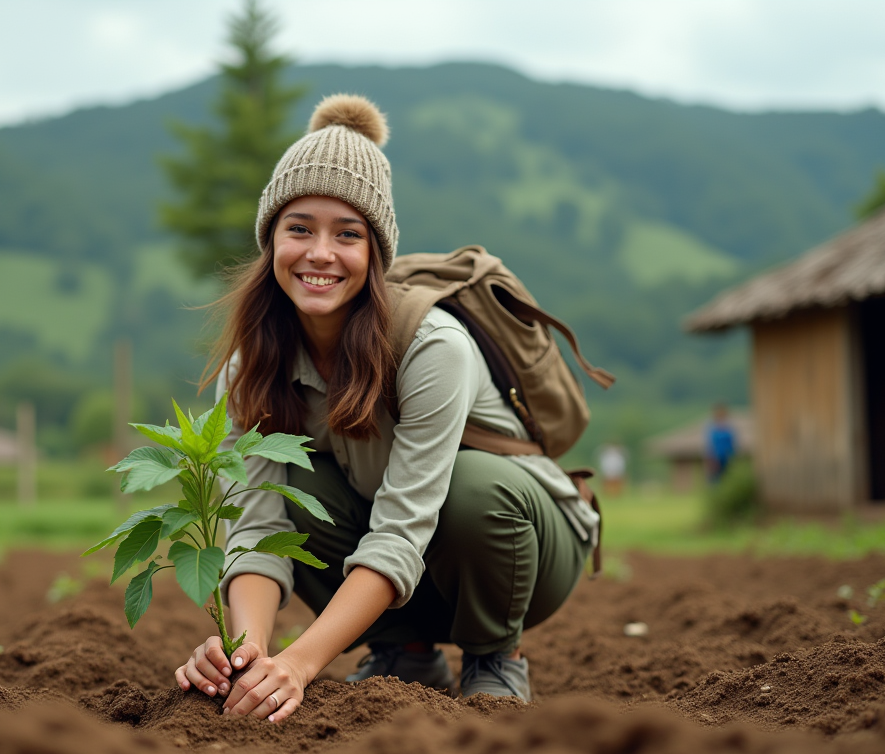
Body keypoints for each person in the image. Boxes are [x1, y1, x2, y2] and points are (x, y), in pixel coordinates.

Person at [175, 95, 598, 722]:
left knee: (477, 485)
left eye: (347, 234)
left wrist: (301, 663)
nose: (320, 253)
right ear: (271, 243)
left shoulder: (431, 346)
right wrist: (249, 655)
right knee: (297, 486)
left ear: (376, 254)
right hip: (410, 566)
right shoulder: (250, 367)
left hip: (519, 551)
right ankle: (405, 650)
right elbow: (260, 526)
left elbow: (403, 527)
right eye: (300, 228)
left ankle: (495, 657)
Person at [704, 403, 736, 483]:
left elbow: (732, 444)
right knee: (715, 479)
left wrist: (732, 455)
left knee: (727, 478)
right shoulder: (711, 428)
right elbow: (709, 445)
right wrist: (711, 458)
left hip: (727, 457)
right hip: (715, 458)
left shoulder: (729, 427)